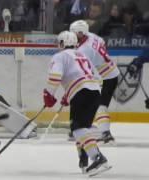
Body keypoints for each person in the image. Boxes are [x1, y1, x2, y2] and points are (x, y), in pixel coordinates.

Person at [43, 30, 111, 176]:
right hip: (94, 91)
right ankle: (84, 161)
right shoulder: (83, 55)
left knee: (77, 128)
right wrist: (69, 95)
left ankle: (98, 158)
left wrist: (48, 94)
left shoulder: (59, 56)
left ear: (62, 43)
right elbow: (95, 77)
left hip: (82, 92)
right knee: (82, 128)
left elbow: (55, 77)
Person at [69, 19, 120, 144]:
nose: (71, 35)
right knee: (95, 105)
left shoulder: (85, 50)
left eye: (74, 33)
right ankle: (86, 127)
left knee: (99, 106)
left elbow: (88, 71)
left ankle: (105, 133)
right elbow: (102, 43)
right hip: (111, 73)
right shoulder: (92, 36)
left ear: (81, 33)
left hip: (105, 78)